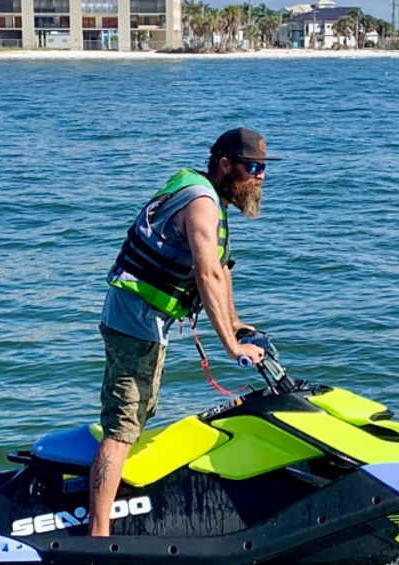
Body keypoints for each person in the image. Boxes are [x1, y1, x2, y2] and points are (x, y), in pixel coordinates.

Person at [88, 127, 279, 537]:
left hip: (144, 319)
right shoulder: (201, 203)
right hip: (134, 320)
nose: (260, 176)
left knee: (139, 415)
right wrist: (231, 346)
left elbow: (222, 267)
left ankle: (116, 505)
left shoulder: (211, 197)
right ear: (225, 165)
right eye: (253, 167)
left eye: (264, 168)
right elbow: (206, 273)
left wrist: (235, 323)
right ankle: (98, 535)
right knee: (123, 426)